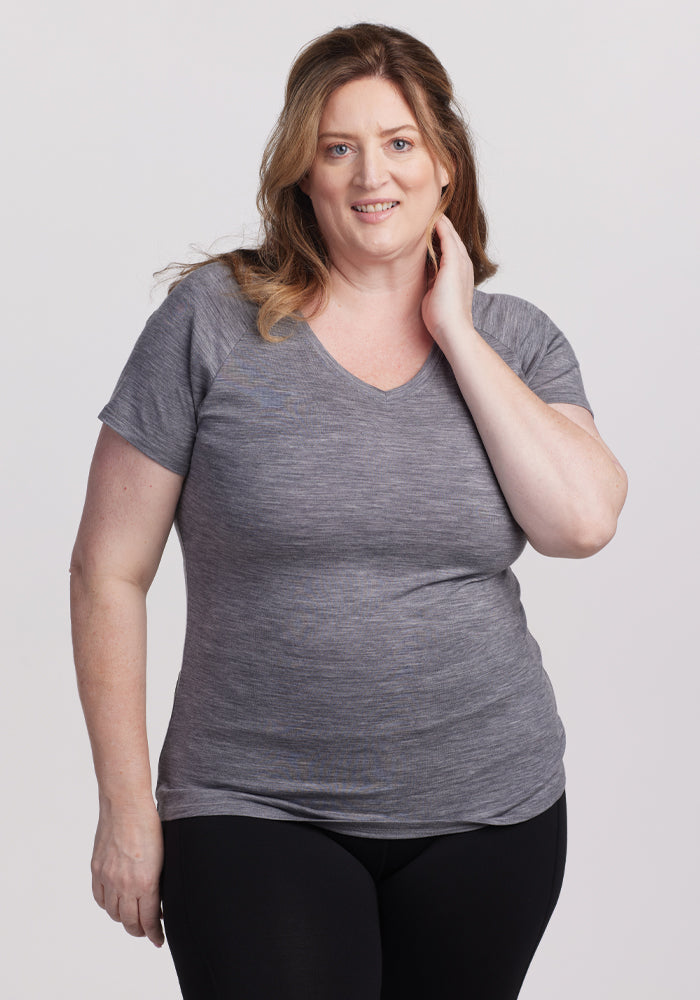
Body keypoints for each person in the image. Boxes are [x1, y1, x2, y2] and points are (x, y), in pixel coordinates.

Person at [70, 22, 628, 1000]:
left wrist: (453, 327)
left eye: (400, 142)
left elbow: (579, 522)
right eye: (339, 147)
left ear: (444, 166)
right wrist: (126, 807)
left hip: (488, 813)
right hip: (252, 805)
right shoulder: (211, 321)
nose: (372, 173)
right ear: (303, 173)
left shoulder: (516, 341)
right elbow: (107, 569)